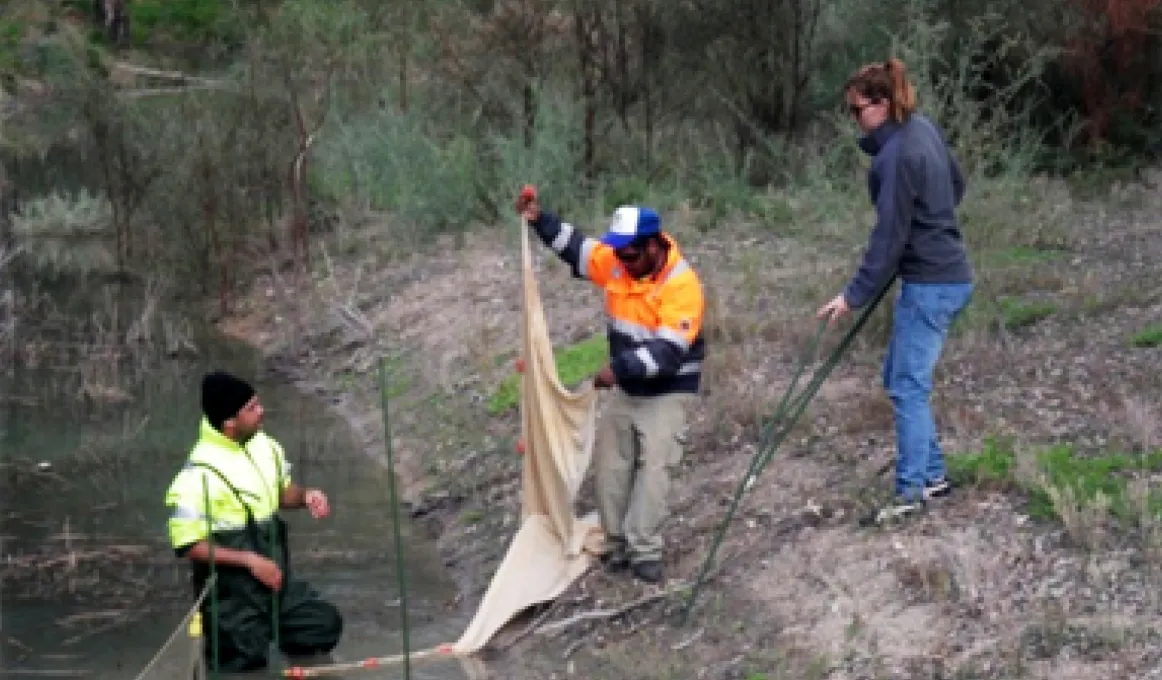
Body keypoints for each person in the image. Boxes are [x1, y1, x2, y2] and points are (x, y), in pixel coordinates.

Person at [516, 186, 705, 584]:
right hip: (628, 387)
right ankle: (616, 544)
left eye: (630, 254)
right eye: (618, 252)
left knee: (655, 470)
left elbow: (668, 354)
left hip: (668, 390)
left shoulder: (681, 285)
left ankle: (644, 552)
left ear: (654, 246)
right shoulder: (619, 262)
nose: (621, 261)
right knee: (611, 467)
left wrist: (617, 370)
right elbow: (580, 250)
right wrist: (540, 220)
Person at [816, 58, 974, 525]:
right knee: (899, 378)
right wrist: (932, 220)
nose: (855, 120)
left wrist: (852, 296)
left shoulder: (898, 157)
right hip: (946, 275)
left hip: (932, 284)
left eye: (857, 110)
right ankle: (933, 474)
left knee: (907, 386)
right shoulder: (923, 129)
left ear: (882, 105)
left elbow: (888, 238)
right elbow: (957, 183)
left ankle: (910, 494)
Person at [164, 371, 343, 672]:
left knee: (321, 625)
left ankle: (289, 658)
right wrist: (249, 560)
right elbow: (189, 545)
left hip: (276, 584)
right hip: (232, 599)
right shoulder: (195, 477)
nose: (262, 411)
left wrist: (305, 496)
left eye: (258, 403)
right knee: (245, 663)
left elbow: (281, 493)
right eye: (252, 408)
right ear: (229, 423)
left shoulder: (265, 446)